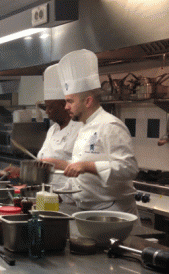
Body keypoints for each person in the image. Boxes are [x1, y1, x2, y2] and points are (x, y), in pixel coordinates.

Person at [53, 49, 139, 214]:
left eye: (70, 101)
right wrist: (60, 196)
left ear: (88, 101)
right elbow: (82, 178)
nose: (66, 107)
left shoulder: (110, 126)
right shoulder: (84, 127)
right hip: (88, 211)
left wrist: (87, 166)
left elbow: (129, 168)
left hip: (113, 212)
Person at [4, 64, 82, 194]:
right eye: (46, 107)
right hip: (46, 194)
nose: (47, 112)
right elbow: (41, 165)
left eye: (50, 107)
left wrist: (54, 163)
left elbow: (81, 167)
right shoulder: (53, 129)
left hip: (67, 196)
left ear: (64, 105)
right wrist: (21, 171)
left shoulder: (80, 129)